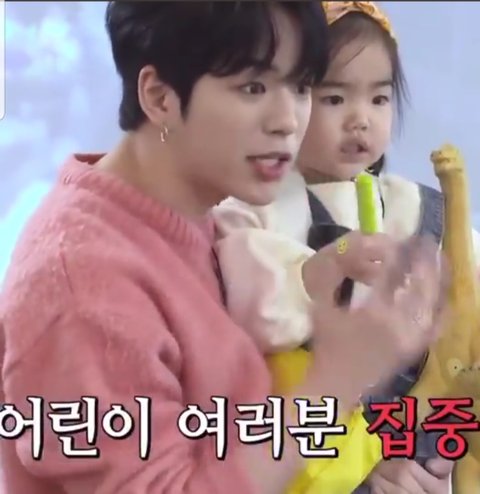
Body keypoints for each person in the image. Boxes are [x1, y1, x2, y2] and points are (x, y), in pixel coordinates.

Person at [0, 2, 447, 494]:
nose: (288, 121)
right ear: (160, 96)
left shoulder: (196, 217)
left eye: (301, 86)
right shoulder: (83, 280)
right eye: (253, 87)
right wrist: (338, 380)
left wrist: (361, 467)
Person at [213, 1, 465, 493]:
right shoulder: (253, 210)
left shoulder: (421, 207)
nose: (360, 120)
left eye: (379, 99)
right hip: (314, 456)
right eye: (334, 98)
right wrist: (319, 274)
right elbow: (255, 318)